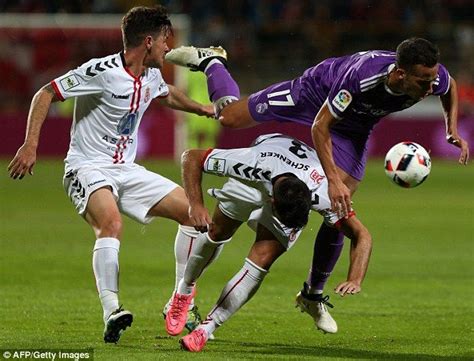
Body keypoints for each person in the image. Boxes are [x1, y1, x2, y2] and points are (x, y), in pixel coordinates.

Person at [164, 38, 470, 332]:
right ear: (401, 74)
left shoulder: (431, 75)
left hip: (356, 127)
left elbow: (450, 85)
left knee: (340, 205)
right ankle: (213, 61)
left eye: (432, 80)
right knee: (230, 118)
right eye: (423, 82)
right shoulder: (360, 80)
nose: (430, 87)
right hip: (312, 94)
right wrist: (333, 181)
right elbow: (320, 126)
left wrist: (451, 128)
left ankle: (312, 294)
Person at [7, 5, 215, 344]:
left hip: (127, 170)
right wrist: (30, 145)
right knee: (111, 223)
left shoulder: (150, 74)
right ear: (148, 41)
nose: (169, 48)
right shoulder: (99, 71)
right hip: (86, 166)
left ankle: (180, 300)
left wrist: (203, 108)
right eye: (165, 41)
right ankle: (112, 310)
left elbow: (167, 94)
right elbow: (45, 93)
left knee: (197, 216)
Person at [164, 133, 373, 352]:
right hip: (253, 179)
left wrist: (355, 278)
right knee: (217, 231)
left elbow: (362, 235)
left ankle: (204, 330)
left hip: (295, 178)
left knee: (262, 259)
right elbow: (192, 158)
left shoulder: (323, 194)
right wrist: (195, 205)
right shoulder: (248, 163)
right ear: (272, 203)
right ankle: (184, 292)